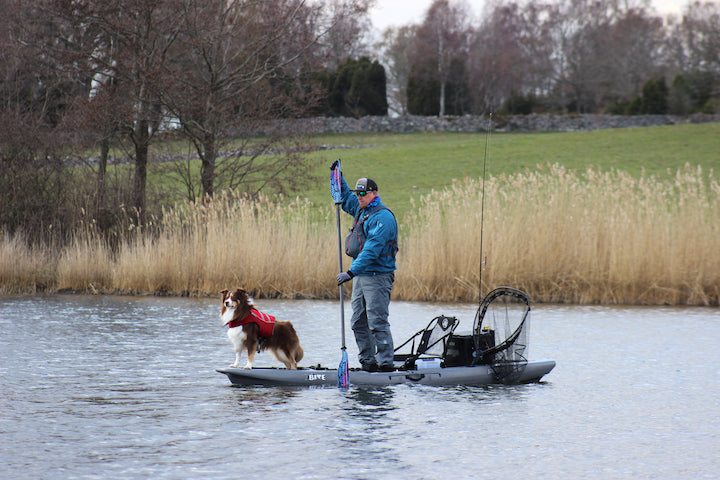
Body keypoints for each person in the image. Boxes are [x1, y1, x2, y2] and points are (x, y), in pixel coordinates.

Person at [331, 161, 399, 372]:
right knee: (358, 322)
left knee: (377, 321)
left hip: (377, 276)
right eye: (358, 193)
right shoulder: (361, 210)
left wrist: (350, 272)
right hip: (360, 277)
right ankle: (368, 363)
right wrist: (336, 176)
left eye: (363, 193)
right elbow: (345, 198)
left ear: (374, 193)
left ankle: (386, 365)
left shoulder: (383, 217)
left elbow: (371, 250)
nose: (359, 196)